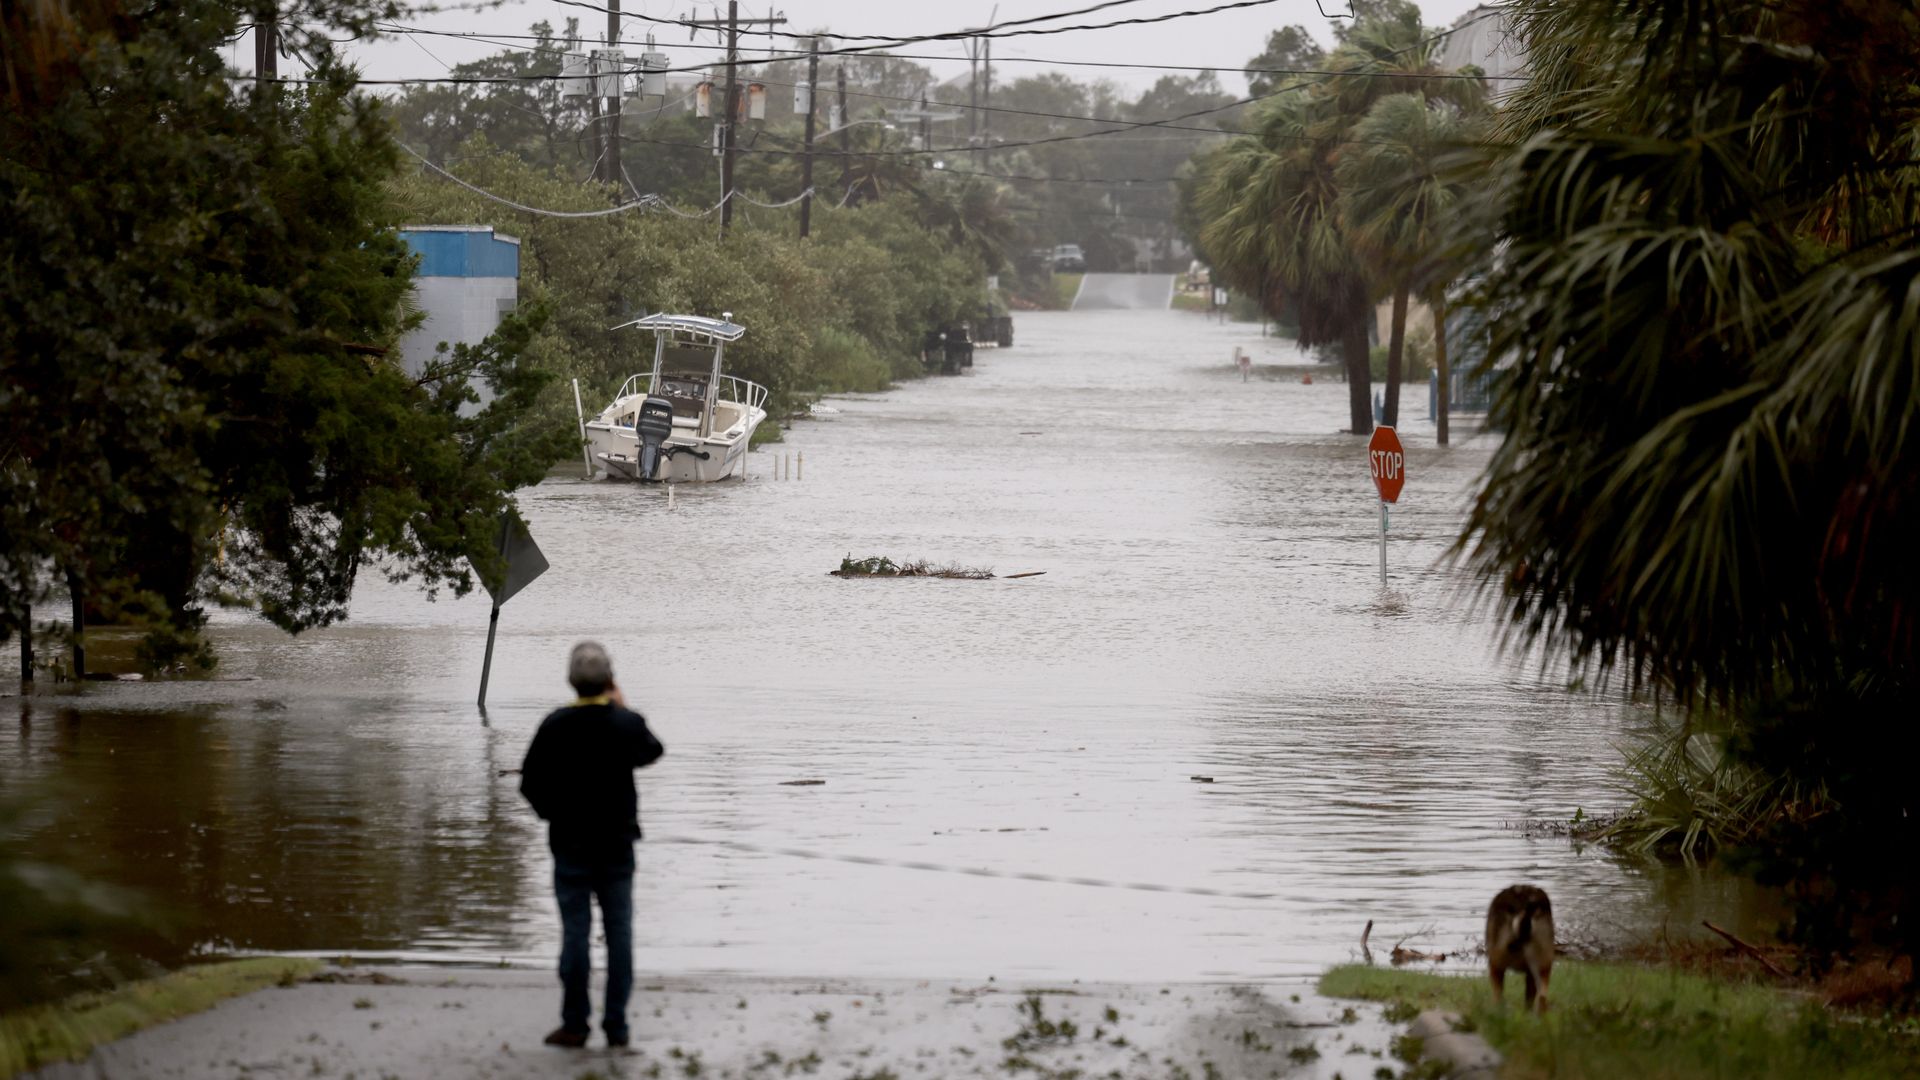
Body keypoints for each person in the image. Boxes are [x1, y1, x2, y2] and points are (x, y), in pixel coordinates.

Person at [520, 641, 665, 1049]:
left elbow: (529, 783)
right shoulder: (625, 724)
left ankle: (575, 1023)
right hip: (618, 844)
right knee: (619, 934)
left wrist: (554, 815)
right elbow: (653, 750)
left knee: (575, 933)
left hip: (570, 844)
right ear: (609, 679)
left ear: (571, 680)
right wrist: (622, 708)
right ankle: (616, 1027)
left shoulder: (555, 724)